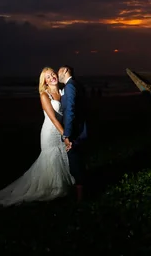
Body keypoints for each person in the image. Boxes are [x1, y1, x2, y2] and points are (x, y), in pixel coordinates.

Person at [0, 67, 74, 206]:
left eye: (53, 74)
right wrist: (65, 135)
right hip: (50, 133)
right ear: (45, 82)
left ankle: (63, 187)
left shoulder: (63, 92)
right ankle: (53, 189)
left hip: (61, 131)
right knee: (51, 160)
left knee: (61, 159)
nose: (52, 77)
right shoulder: (44, 95)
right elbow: (53, 118)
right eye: (47, 77)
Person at [58, 65, 88, 202]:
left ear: (65, 70)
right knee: (80, 162)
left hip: (74, 132)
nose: (57, 74)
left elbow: (70, 111)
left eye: (59, 71)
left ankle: (80, 199)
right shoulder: (76, 84)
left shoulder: (70, 86)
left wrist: (66, 134)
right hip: (81, 130)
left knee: (75, 164)